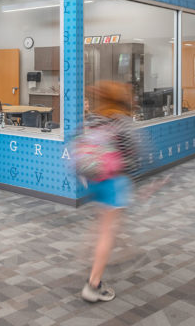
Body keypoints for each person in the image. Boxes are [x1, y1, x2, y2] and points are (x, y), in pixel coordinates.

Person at [79, 80, 139, 303]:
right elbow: (133, 155)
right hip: (114, 181)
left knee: (104, 223)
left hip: (95, 179)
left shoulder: (93, 119)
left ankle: (93, 251)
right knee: (108, 231)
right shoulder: (122, 122)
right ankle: (93, 284)